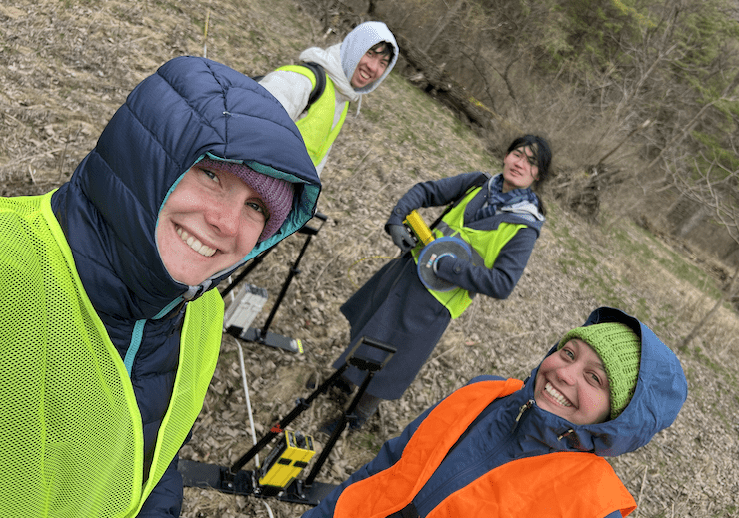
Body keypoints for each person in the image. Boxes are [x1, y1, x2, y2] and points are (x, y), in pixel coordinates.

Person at [0, 56, 320, 517]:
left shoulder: (200, 314)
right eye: (212, 175)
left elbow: (151, 459)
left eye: (257, 208)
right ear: (143, 159)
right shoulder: (15, 267)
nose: (226, 224)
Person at [302, 306, 688, 518]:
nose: (564, 374)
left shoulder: (593, 507)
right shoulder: (483, 394)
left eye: (594, 379)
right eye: (568, 353)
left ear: (617, 417)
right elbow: (387, 467)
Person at [324, 135, 552, 431]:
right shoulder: (478, 183)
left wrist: (447, 265)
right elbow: (426, 191)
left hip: (436, 301)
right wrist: (397, 219)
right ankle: (342, 380)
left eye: (531, 162)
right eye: (517, 154)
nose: (520, 163)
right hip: (408, 271)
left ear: (538, 175)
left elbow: (502, 283)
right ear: (506, 156)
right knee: (371, 326)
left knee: (393, 360)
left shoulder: (525, 226)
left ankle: (356, 418)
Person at [258, 21, 399, 176]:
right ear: (354, 49)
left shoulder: (343, 100)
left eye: (383, 63)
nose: (373, 67)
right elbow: (249, 132)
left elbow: (315, 160)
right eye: (370, 54)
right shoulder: (304, 81)